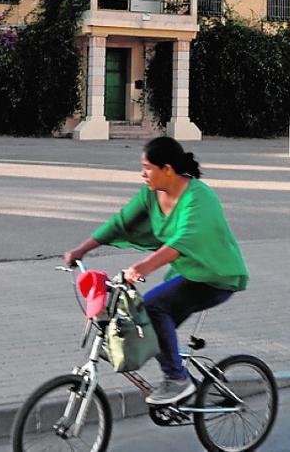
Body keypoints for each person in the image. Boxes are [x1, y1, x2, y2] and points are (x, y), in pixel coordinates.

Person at [64, 136, 248, 405]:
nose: (142, 173)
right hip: (187, 274)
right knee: (153, 327)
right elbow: (121, 222)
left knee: (152, 309)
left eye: (147, 167)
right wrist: (82, 249)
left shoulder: (198, 198)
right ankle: (186, 389)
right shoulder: (152, 195)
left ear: (168, 169)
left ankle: (178, 380)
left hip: (215, 277)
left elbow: (182, 241)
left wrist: (141, 267)